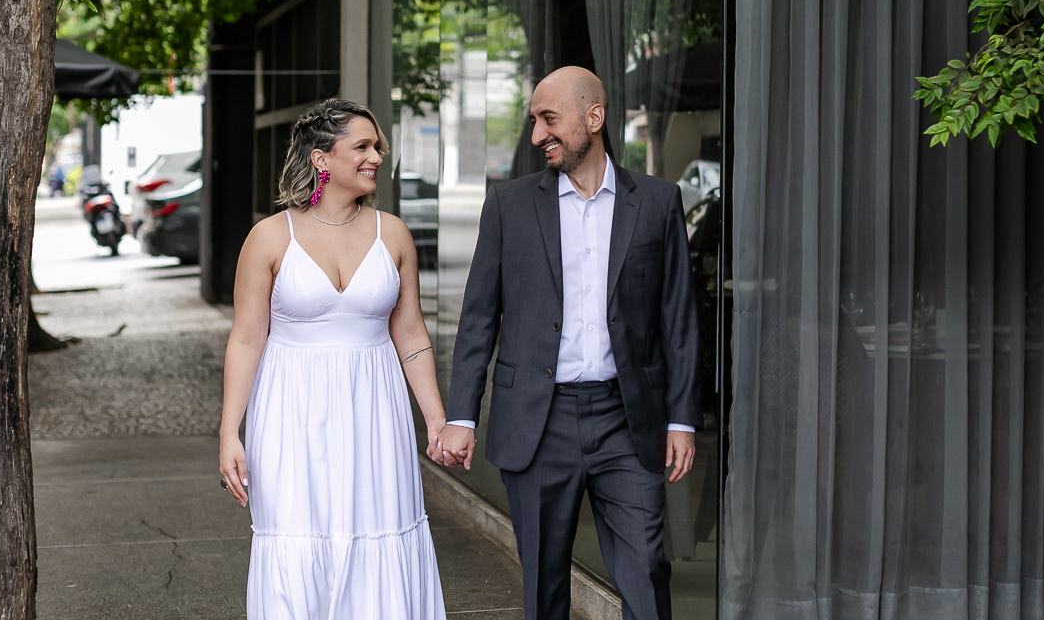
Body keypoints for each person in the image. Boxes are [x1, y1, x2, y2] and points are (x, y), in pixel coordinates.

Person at [435, 67, 700, 620]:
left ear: (594, 117)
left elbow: (677, 318)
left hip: (627, 421)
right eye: (534, 120)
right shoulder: (508, 205)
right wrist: (461, 414)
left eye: (548, 119)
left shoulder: (655, 202)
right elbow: (480, 316)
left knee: (648, 570)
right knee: (544, 585)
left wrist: (681, 420)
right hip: (539, 419)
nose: (536, 135)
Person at [219, 98, 447, 620]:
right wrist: (231, 431)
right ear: (322, 158)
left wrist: (436, 417)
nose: (376, 158)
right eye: (363, 147)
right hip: (291, 413)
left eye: (378, 147)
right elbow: (247, 339)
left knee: (380, 528)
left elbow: (410, 332)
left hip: (375, 412)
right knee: (297, 537)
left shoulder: (393, 234)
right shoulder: (270, 236)